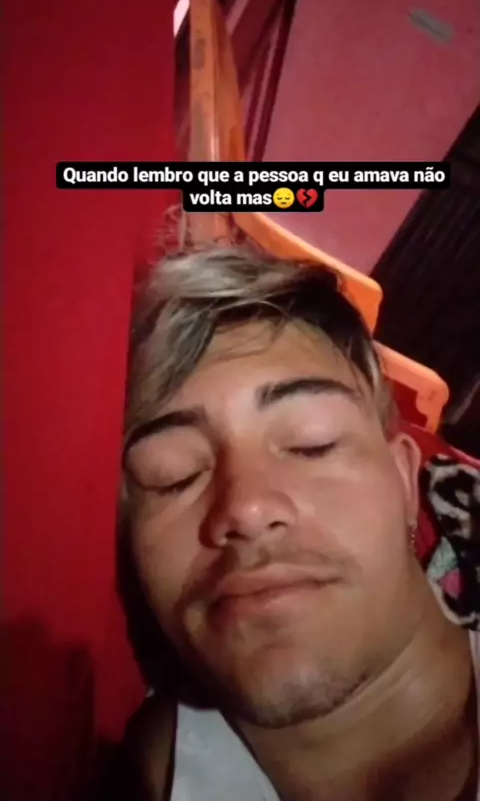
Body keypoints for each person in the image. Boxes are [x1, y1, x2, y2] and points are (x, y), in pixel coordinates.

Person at [117, 244, 479, 801]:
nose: (247, 508)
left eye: (313, 443)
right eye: (174, 473)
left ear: (406, 483)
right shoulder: (146, 767)